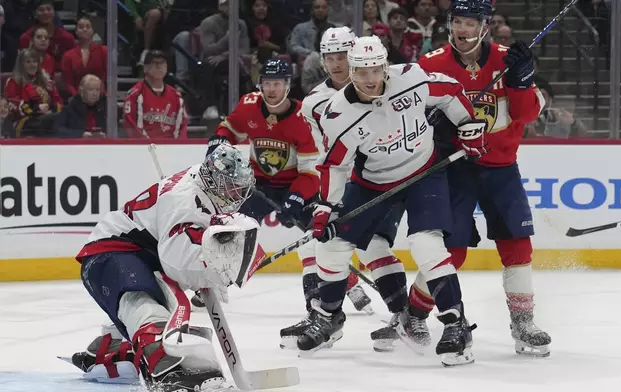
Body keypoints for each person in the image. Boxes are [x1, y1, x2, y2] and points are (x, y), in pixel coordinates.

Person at [298, 35, 486, 367]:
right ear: (351, 72)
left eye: (375, 70)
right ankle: (328, 316)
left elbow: (452, 94)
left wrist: (468, 125)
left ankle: (456, 325)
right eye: (361, 72)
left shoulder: (411, 78)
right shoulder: (337, 113)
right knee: (331, 246)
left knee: (426, 244)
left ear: (386, 66)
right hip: (372, 182)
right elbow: (335, 165)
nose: (370, 80)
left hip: (425, 172)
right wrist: (327, 205)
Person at [415, 0, 551, 357]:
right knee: (450, 252)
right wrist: (436, 127)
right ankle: (414, 314)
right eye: (458, 21)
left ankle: (523, 323)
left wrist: (521, 80)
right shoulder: (430, 64)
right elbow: (412, 119)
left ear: (484, 27)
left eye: (470, 23)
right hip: (454, 169)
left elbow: (526, 115)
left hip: (501, 166)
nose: (463, 29)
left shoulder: (508, 60)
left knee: (517, 245)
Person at [70, 144, 260, 391]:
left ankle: (113, 349)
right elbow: (175, 262)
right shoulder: (184, 201)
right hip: (110, 251)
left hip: (143, 252)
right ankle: (167, 371)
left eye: (240, 188)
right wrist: (213, 271)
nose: (236, 194)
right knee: (146, 308)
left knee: (168, 307)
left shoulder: (205, 183)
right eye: (231, 186)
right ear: (214, 179)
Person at [203, 58, 328, 349]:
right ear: (260, 86)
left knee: (320, 237)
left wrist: (296, 199)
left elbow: (312, 171)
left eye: (278, 83)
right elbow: (229, 129)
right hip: (257, 184)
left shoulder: (303, 117)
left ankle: (337, 292)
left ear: (288, 85)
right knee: (229, 227)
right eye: (267, 84)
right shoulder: (248, 105)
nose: (272, 89)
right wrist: (219, 140)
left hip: (297, 183)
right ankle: (214, 280)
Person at [122, 51, 188, 139]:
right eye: (154, 63)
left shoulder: (176, 96)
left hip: (171, 149)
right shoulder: (135, 95)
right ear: (145, 68)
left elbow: (182, 128)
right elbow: (131, 126)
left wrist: (175, 147)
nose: (159, 66)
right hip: (143, 149)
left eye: (162, 63)